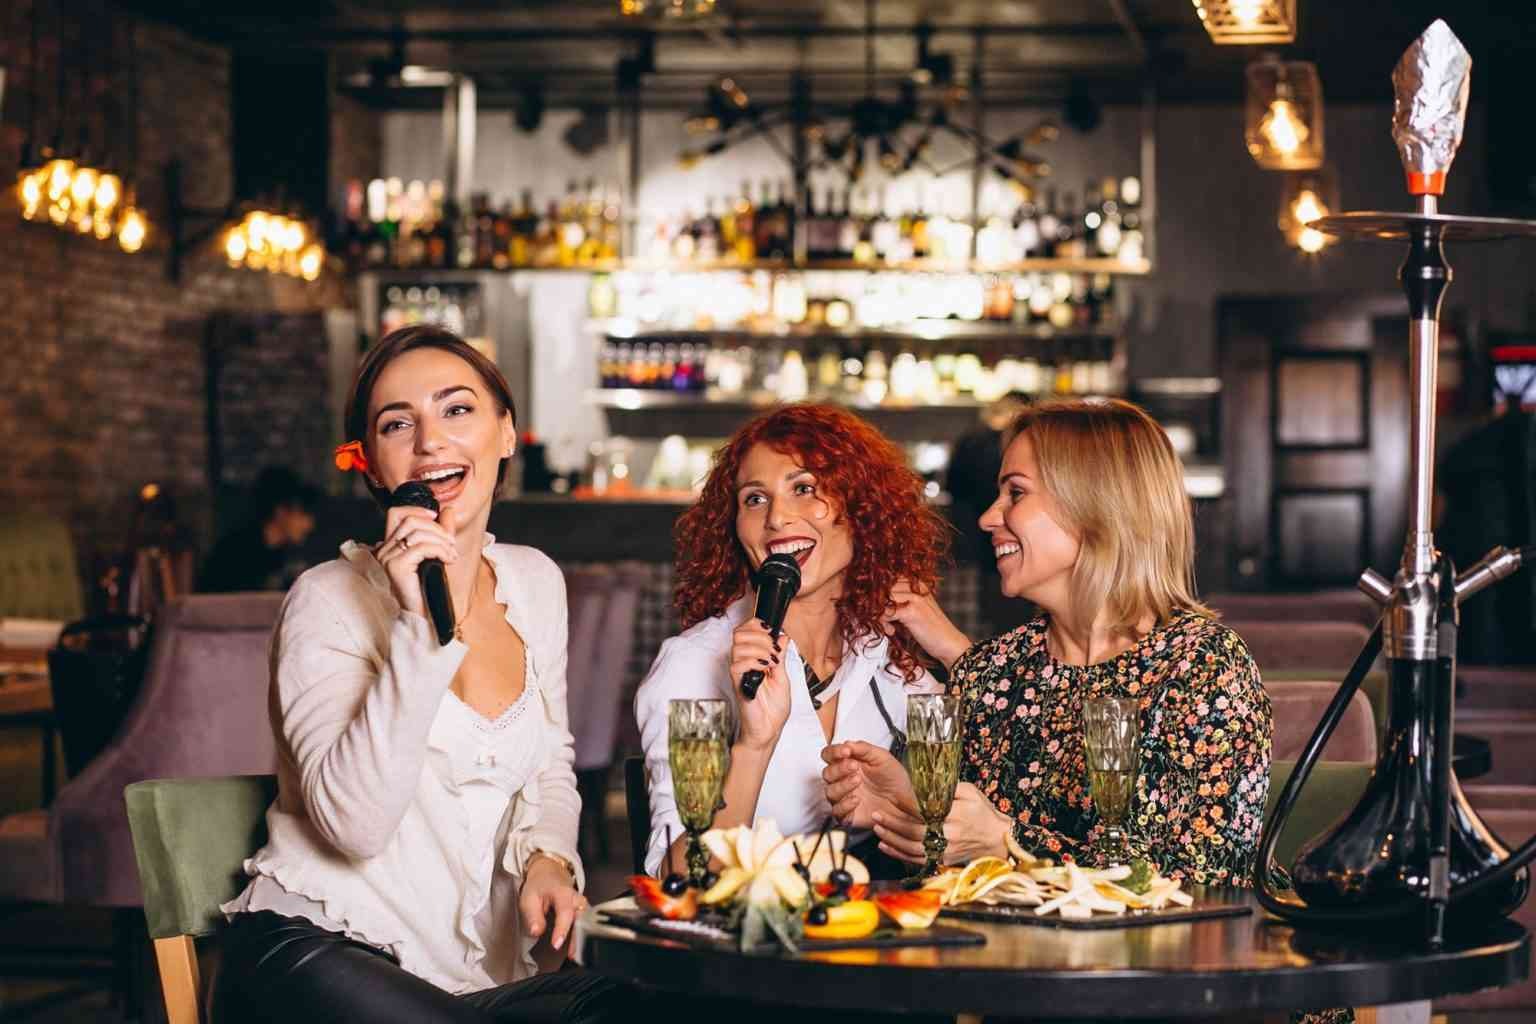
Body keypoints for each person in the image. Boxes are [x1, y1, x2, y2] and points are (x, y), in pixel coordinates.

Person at [213, 325, 629, 1023]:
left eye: (457, 409)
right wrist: (416, 626)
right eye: (397, 424)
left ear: (506, 433)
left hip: (467, 984)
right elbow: (354, 827)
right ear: (374, 467)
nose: (431, 441)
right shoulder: (325, 600)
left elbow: (552, 759)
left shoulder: (534, 583)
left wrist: (549, 857)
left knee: (636, 1004)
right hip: (317, 956)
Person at [824, 398, 1273, 887]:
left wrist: (1009, 844)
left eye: (1016, 493)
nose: (988, 518)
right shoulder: (994, 670)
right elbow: (959, 878)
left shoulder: (1203, 666)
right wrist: (908, 811)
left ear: (1097, 505)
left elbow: (1210, 880)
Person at [634, 404, 965, 879]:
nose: (776, 517)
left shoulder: (883, 654)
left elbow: (1001, 793)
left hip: (861, 920)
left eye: (804, 488)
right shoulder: (693, 665)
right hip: (739, 925)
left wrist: (955, 650)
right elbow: (678, 878)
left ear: (861, 508)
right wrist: (754, 745)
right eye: (754, 499)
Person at [198, 466, 319, 593]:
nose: (309, 525)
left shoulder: (283, 555)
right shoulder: (236, 553)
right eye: (302, 514)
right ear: (280, 511)